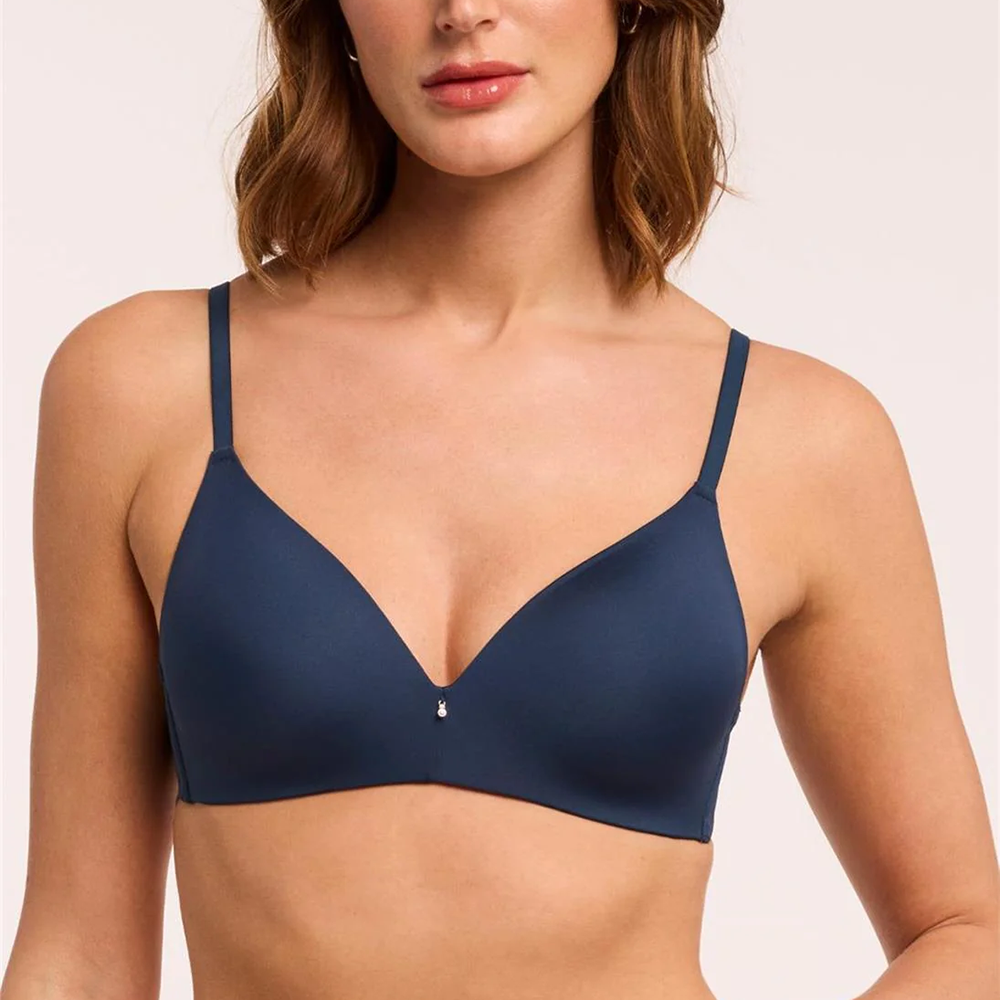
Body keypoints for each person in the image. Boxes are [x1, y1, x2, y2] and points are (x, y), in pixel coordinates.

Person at [3, 1, 998, 998]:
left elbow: (966, 931)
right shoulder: (144, 386)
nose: (463, 11)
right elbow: (77, 956)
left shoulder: (800, 438)